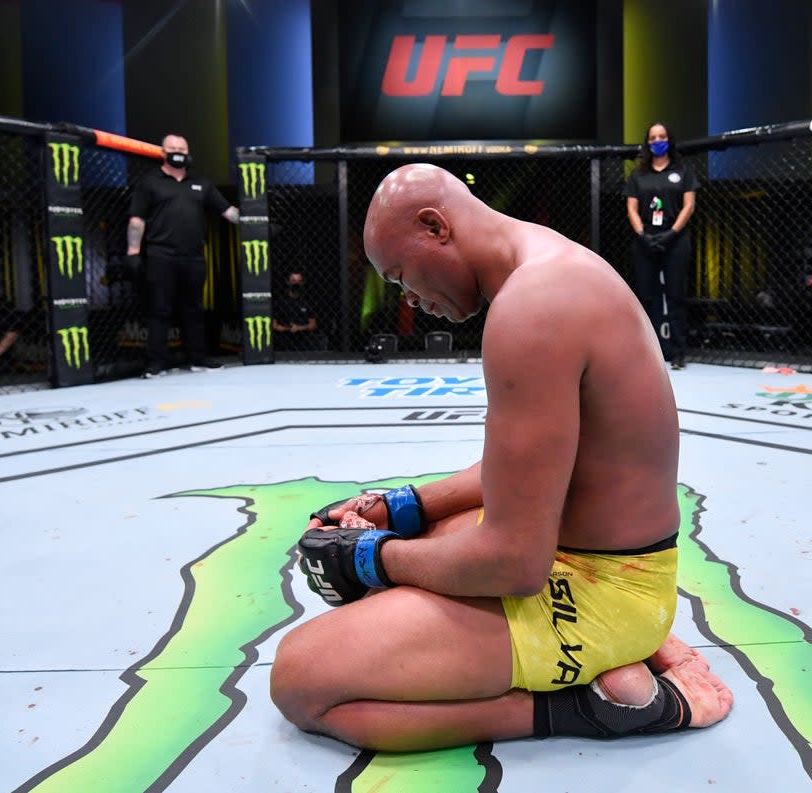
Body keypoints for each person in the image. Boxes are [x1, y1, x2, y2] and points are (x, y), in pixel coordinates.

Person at [270, 163, 732, 753]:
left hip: (598, 594)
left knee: (301, 679)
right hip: (616, 569)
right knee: (428, 539)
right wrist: (404, 507)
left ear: (436, 226)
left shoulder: (533, 306)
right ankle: (623, 653)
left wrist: (372, 559)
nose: (407, 297)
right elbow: (524, 479)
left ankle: (596, 708)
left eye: (401, 275)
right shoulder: (548, 268)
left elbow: (515, 563)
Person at [126, 134, 240, 378]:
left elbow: (228, 212)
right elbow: (137, 219)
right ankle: (156, 363)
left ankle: (198, 358)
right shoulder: (149, 182)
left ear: (188, 152)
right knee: (159, 309)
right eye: (172, 148)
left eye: (181, 148)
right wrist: (133, 251)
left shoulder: (201, 183)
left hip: (194, 256)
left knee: (194, 309)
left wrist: (257, 221)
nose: (177, 151)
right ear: (162, 152)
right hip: (160, 254)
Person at [624, 122, 700, 370]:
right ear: (647, 143)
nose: (658, 141)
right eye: (653, 137)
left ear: (669, 140)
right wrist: (643, 234)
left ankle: (678, 353)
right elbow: (631, 209)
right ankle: (644, 352)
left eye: (662, 136)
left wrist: (672, 233)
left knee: (676, 295)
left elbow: (689, 205)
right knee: (644, 296)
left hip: (675, 239)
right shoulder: (638, 175)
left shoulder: (683, 171)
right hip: (645, 239)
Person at [273, 270, 322, 351]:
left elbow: (313, 324)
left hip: (304, 343)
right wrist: (289, 329)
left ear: (302, 283)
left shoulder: (308, 301)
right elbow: (274, 325)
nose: (296, 283)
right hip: (283, 343)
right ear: (288, 282)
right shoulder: (279, 301)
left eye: (299, 281)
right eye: (293, 280)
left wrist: (300, 328)